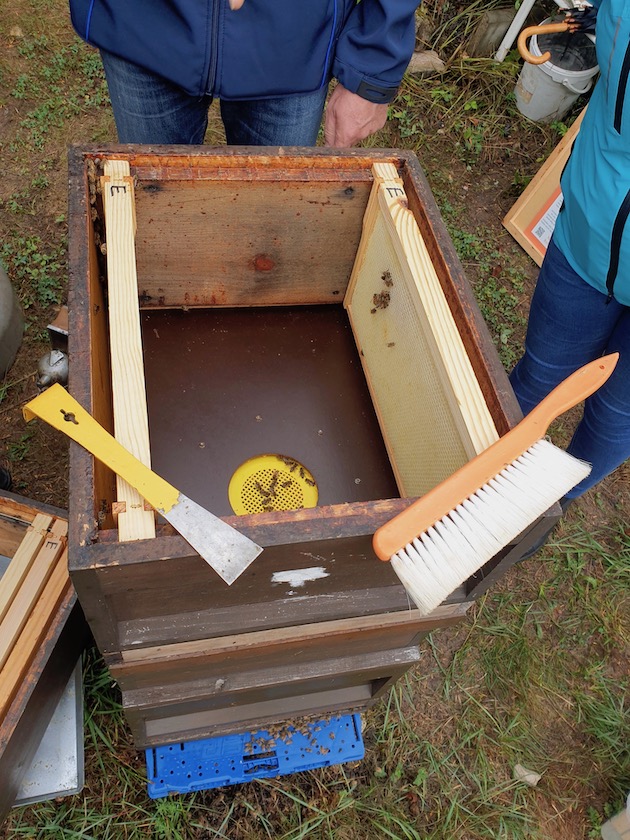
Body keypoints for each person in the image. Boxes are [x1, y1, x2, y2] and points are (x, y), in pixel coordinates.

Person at [510, 0, 630, 518]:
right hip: (589, 233)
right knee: (541, 376)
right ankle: (468, 483)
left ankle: (541, 509)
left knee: (618, 416)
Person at [68, 0, 421, 147]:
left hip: (296, 43)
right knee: (147, 214)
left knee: (273, 228)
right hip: (143, 24)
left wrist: (375, 63)